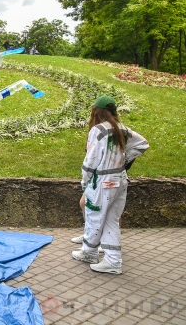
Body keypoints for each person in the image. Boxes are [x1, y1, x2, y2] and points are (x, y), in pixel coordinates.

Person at [71, 95, 149, 274]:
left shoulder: (98, 130)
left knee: (94, 218)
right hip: (120, 180)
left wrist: (85, 181)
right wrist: (124, 161)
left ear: (96, 111)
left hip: (103, 182)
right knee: (111, 220)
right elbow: (142, 144)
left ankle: (89, 253)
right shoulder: (122, 128)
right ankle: (112, 261)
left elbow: (91, 160)